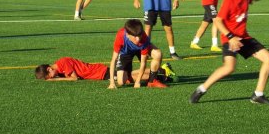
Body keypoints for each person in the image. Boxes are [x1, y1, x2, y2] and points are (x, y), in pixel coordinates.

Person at [189, 0, 269, 105]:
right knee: (229, 68)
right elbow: (218, 21)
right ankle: (201, 89)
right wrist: (231, 37)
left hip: (244, 38)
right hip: (230, 39)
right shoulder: (229, 0)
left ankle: (258, 95)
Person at [35, 54, 176, 86]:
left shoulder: (62, 64)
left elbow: (74, 78)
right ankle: (161, 72)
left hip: (99, 72)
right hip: (99, 71)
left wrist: (57, 79)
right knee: (131, 75)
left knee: (128, 79)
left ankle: (160, 74)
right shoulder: (60, 65)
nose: (52, 77)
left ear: (49, 69)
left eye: (49, 76)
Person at [108, 18, 168, 89]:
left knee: (158, 54)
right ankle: (159, 71)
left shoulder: (144, 38)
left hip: (140, 50)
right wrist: (112, 82)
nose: (138, 39)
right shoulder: (120, 36)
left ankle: (152, 81)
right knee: (120, 82)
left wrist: (138, 81)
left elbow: (143, 63)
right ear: (127, 34)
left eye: (139, 35)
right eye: (135, 36)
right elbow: (114, 60)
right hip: (125, 52)